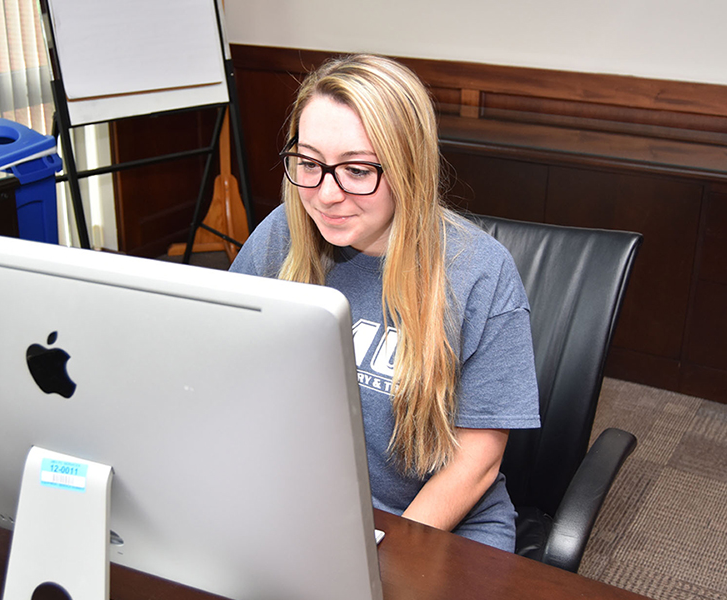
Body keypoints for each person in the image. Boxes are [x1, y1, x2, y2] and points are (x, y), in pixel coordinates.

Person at [229, 54, 540, 552]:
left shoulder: (480, 273)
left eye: (356, 170)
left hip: (434, 528)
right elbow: (225, 371)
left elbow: (477, 463)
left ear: (407, 166)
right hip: (310, 510)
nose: (326, 194)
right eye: (308, 163)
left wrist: (380, 553)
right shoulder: (283, 235)